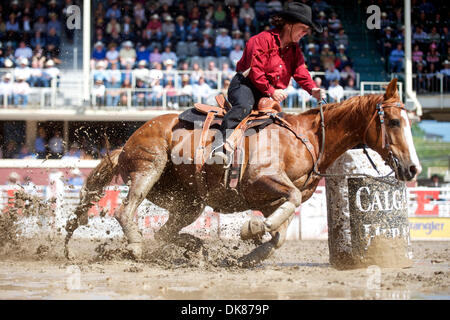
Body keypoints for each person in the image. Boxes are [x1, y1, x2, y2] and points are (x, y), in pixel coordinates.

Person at [211, 2, 325, 165]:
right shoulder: (261, 40)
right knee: (243, 107)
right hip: (245, 84)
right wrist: (272, 91)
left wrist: (313, 89)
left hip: (267, 92)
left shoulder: (295, 50)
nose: (305, 33)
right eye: (303, 28)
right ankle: (219, 145)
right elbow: (255, 70)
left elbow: (301, 71)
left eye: (307, 30)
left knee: (278, 122)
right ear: (289, 24)